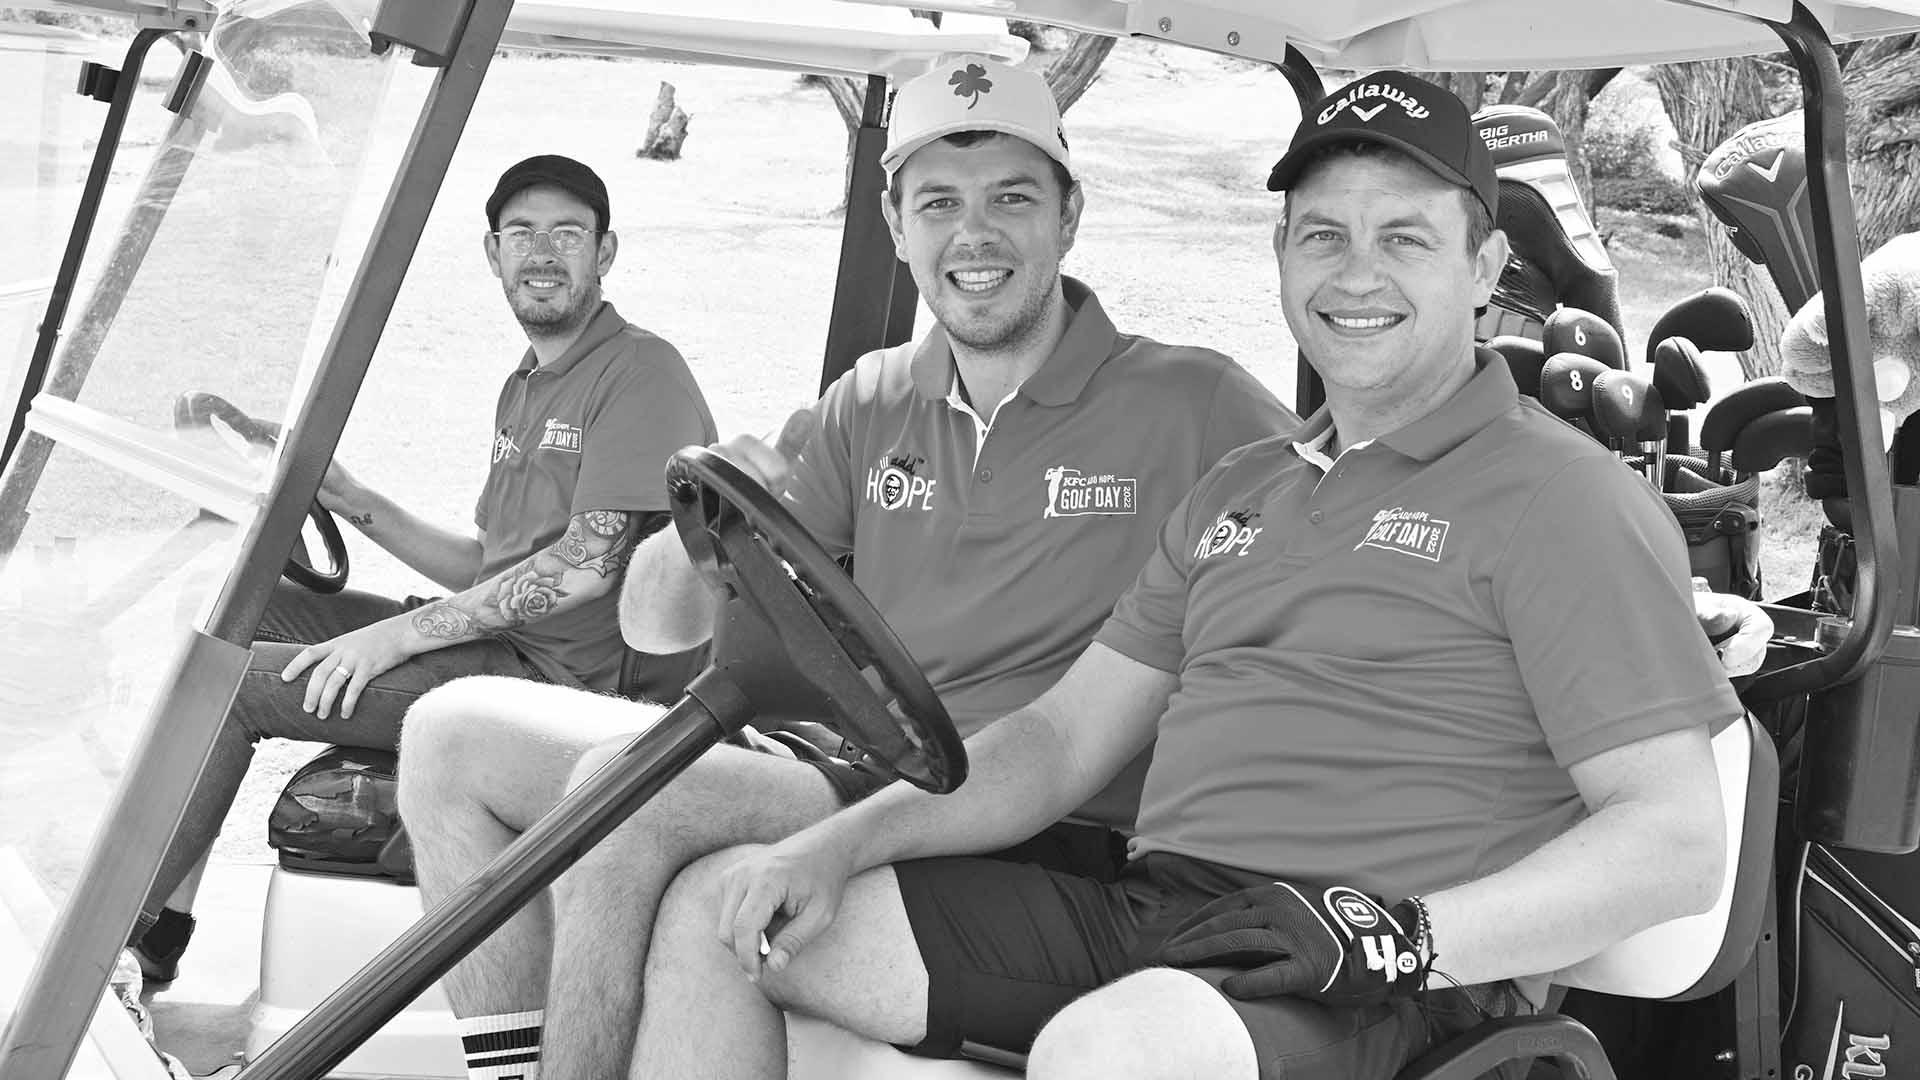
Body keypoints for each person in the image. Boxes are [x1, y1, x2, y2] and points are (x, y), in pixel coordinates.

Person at [629, 70, 1743, 1080]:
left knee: (1119, 1049)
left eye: (1404, 238)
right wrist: (834, 845)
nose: (1356, 273)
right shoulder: (1242, 488)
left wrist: (1395, 938)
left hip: (1386, 975)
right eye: (1323, 236)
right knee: (729, 914)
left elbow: (1676, 843)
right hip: (1160, 912)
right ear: (1282, 255)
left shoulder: (1565, 495)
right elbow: (1060, 740)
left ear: (1484, 266)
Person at [395, 57, 1297, 1080]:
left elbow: (1336, 522)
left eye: (1011, 198)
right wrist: (700, 529)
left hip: (1036, 819)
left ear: (1069, 215)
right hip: (860, 769)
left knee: (623, 793)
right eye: (939, 203)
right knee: (446, 735)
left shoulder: (1192, 402)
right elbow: (654, 624)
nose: (974, 235)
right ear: (895, 224)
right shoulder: (871, 402)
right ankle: (516, 1068)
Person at [128, 154, 717, 982]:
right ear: (493, 254)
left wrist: (398, 637)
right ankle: (162, 925)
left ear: (605, 252)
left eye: (567, 234)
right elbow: (489, 565)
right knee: (231, 615)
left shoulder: (640, 373)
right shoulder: (528, 384)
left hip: (567, 692)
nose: (543, 253)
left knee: (232, 687)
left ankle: (114, 947)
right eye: (522, 233)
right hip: (506, 648)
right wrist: (354, 499)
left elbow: (586, 564)